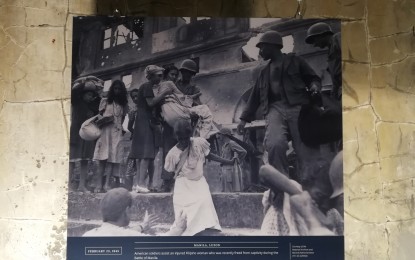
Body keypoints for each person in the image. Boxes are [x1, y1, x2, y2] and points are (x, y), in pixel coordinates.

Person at [237, 30, 322, 184]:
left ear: (273, 46)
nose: (260, 52)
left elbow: (312, 78)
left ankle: (311, 185)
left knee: (304, 147)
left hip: (298, 107)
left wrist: (315, 86)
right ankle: (282, 185)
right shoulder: (263, 73)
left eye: (262, 47)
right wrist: (243, 120)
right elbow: (254, 98)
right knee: (275, 144)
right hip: (274, 109)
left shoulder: (296, 61)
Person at [164, 119, 235, 236]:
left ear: (190, 135)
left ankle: (205, 230)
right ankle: (187, 231)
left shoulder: (199, 143)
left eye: (186, 138)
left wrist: (226, 161)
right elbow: (169, 172)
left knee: (204, 200)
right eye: (180, 139)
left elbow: (210, 155)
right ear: (176, 137)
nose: (183, 141)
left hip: (199, 182)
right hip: (183, 185)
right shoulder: (172, 154)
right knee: (184, 212)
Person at [259, 164, 343, 236]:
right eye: (321, 195)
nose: (325, 203)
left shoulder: (333, 214)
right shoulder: (294, 191)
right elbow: (265, 171)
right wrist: (302, 197)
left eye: (330, 198)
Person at [129, 65, 172, 193]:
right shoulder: (147, 86)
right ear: (151, 76)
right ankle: (141, 184)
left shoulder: (148, 87)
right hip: (145, 120)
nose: (160, 78)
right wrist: (164, 93)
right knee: (146, 154)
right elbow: (151, 103)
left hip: (145, 120)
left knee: (145, 155)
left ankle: (140, 184)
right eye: (158, 75)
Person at [83, 187, 186, 236]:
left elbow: (117, 231)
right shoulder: (129, 237)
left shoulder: (87, 235)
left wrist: (142, 226)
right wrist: (179, 229)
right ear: (126, 211)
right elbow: (159, 242)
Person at [93, 80, 128, 193]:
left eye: (119, 89)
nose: (117, 91)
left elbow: (121, 120)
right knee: (103, 158)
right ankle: (98, 184)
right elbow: (98, 117)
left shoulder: (123, 105)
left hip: (116, 132)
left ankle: (107, 184)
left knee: (112, 159)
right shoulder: (105, 101)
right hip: (105, 132)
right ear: (112, 89)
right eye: (115, 88)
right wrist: (105, 120)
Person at [70, 77, 102, 192]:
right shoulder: (76, 102)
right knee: (72, 161)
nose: (90, 97)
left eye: (91, 95)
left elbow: (98, 100)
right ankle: (68, 186)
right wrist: (85, 80)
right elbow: (74, 91)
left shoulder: (92, 106)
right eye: (88, 94)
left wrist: (97, 90)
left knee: (85, 160)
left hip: (87, 135)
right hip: (75, 135)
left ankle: (81, 186)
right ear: (82, 94)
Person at [305, 22, 341, 100]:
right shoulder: (330, 53)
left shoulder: (338, 38)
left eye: (315, 40)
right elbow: (335, 81)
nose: (315, 45)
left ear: (322, 35)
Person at [217, 127, 247, 192]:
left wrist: (238, 160)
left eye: (220, 134)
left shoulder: (231, 143)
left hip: (229, 171)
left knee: (229, 191)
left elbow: (243, 152)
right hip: (224, 170)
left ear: (224, 135)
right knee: (224, 190)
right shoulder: (224, 145)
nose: (219, 136)